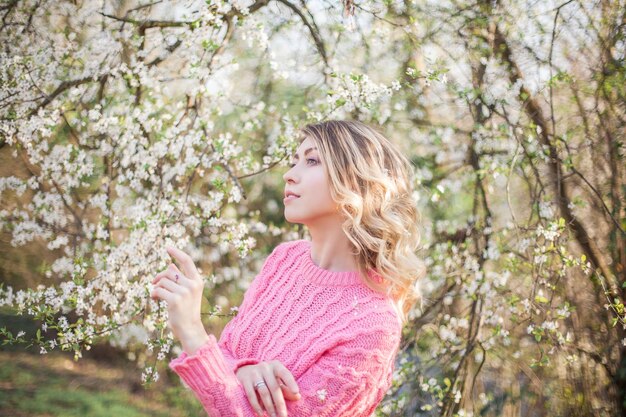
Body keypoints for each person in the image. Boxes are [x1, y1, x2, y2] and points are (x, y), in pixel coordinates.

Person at [150, 119, 427, 417]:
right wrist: (244, 371)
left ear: (356, 182)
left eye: (311, 161)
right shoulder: (285, 260)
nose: (289, 175)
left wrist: (192, 331)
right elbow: (228, 352)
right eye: (294, 161)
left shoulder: (374, 326)